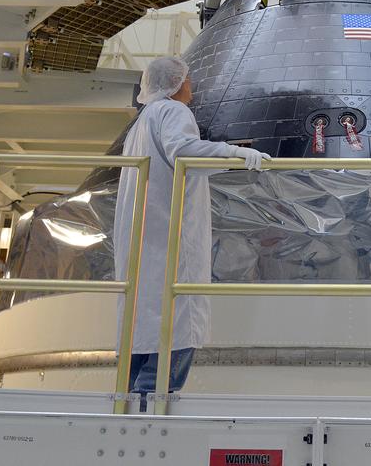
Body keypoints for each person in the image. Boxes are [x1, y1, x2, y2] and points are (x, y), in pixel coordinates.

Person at [111, 56, 270, 399]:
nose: (192, 85)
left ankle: (130, 412)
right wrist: (234, 155)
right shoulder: (173, 112)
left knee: (142, 338)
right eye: (188, 79)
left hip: (146, 243)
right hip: (169, 241)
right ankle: (148, 418)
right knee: (174, 332)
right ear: (174, 83)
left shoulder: (141, 123)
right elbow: (183, 151)